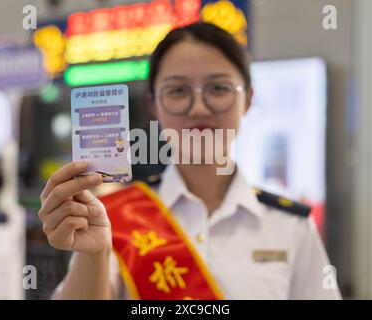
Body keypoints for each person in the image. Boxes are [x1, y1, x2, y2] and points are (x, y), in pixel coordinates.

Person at [38, 22, 341, 300]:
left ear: (247, 99)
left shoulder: (291, 226)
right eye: (179, 90)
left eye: (218, 88)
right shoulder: (115, 216)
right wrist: (94, 253)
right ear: (153, 104)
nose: (198, 108)